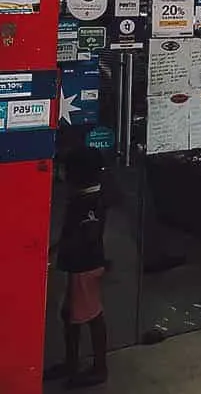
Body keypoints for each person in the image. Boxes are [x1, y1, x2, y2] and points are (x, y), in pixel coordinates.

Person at [45, 147, 108, 388]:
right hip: (78, 266)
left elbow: (87, 234)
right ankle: (71, 362)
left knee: (90, 315)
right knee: (70, 314)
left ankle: (99, 368)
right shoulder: (84, 197)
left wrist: (63, 248)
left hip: (85, 267)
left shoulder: (89, 202)